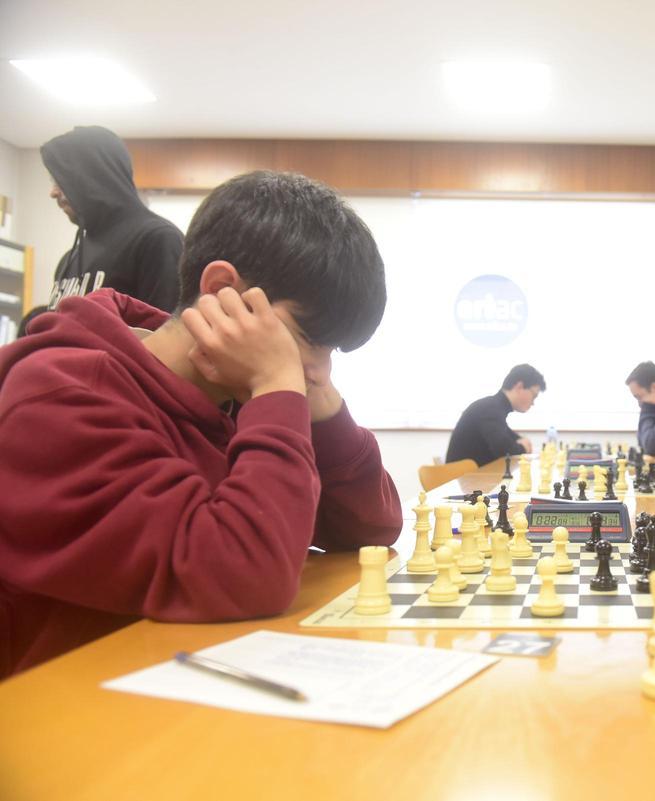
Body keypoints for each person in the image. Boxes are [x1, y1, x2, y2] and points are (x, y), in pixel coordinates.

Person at [0, 171, 403, 678]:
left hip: (180, 681)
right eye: (309, 337)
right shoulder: (60, 395)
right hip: (63, 714)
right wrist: (277, 386)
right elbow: (243, 573)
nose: (321, 370)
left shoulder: (234, 394)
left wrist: (325, 417)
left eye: (332, 350)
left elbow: (372, 529)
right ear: (220, 290)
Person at [42, 125, 184, 312]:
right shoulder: (71, 258)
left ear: (94, 176)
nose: (53, 192)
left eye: (62, 180)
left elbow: (165, 333)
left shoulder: (158, 239)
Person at [446, 364, 545, 466]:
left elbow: (509, 439)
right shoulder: (490, 409)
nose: (533, 402)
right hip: (459, 479)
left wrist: (521, 442)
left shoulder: (494, 408)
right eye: (534, 396)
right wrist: (523, 447)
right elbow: (505, 451)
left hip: (471, 476)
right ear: (519, 387)